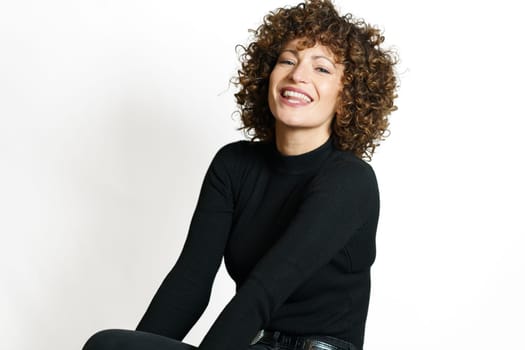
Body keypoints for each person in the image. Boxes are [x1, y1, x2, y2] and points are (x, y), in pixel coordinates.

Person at [82, 0, 398, 349]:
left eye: (321, 69)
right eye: (288, 60)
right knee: (110, 346)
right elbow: (190, 282)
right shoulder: (234, 166)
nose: (298, 75)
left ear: (347, 96)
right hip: (253, 345)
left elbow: (265, 291)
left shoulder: (351, 182)